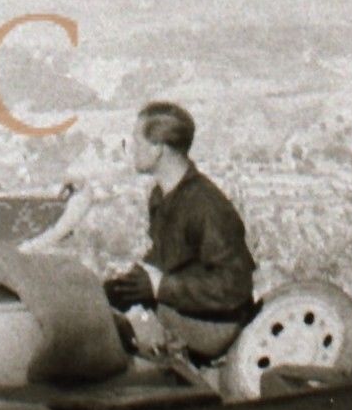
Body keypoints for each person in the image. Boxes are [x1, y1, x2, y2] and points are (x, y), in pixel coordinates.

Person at [103, 101, 257, 361]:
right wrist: (126, 287)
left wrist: (160, 287)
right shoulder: (162, 196)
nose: (131, 149)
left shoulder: (206, 205)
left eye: (137, 141)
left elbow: (235, 286)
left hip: (215, 326)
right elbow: (169, 257)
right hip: (187, 309)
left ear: (158, 149)